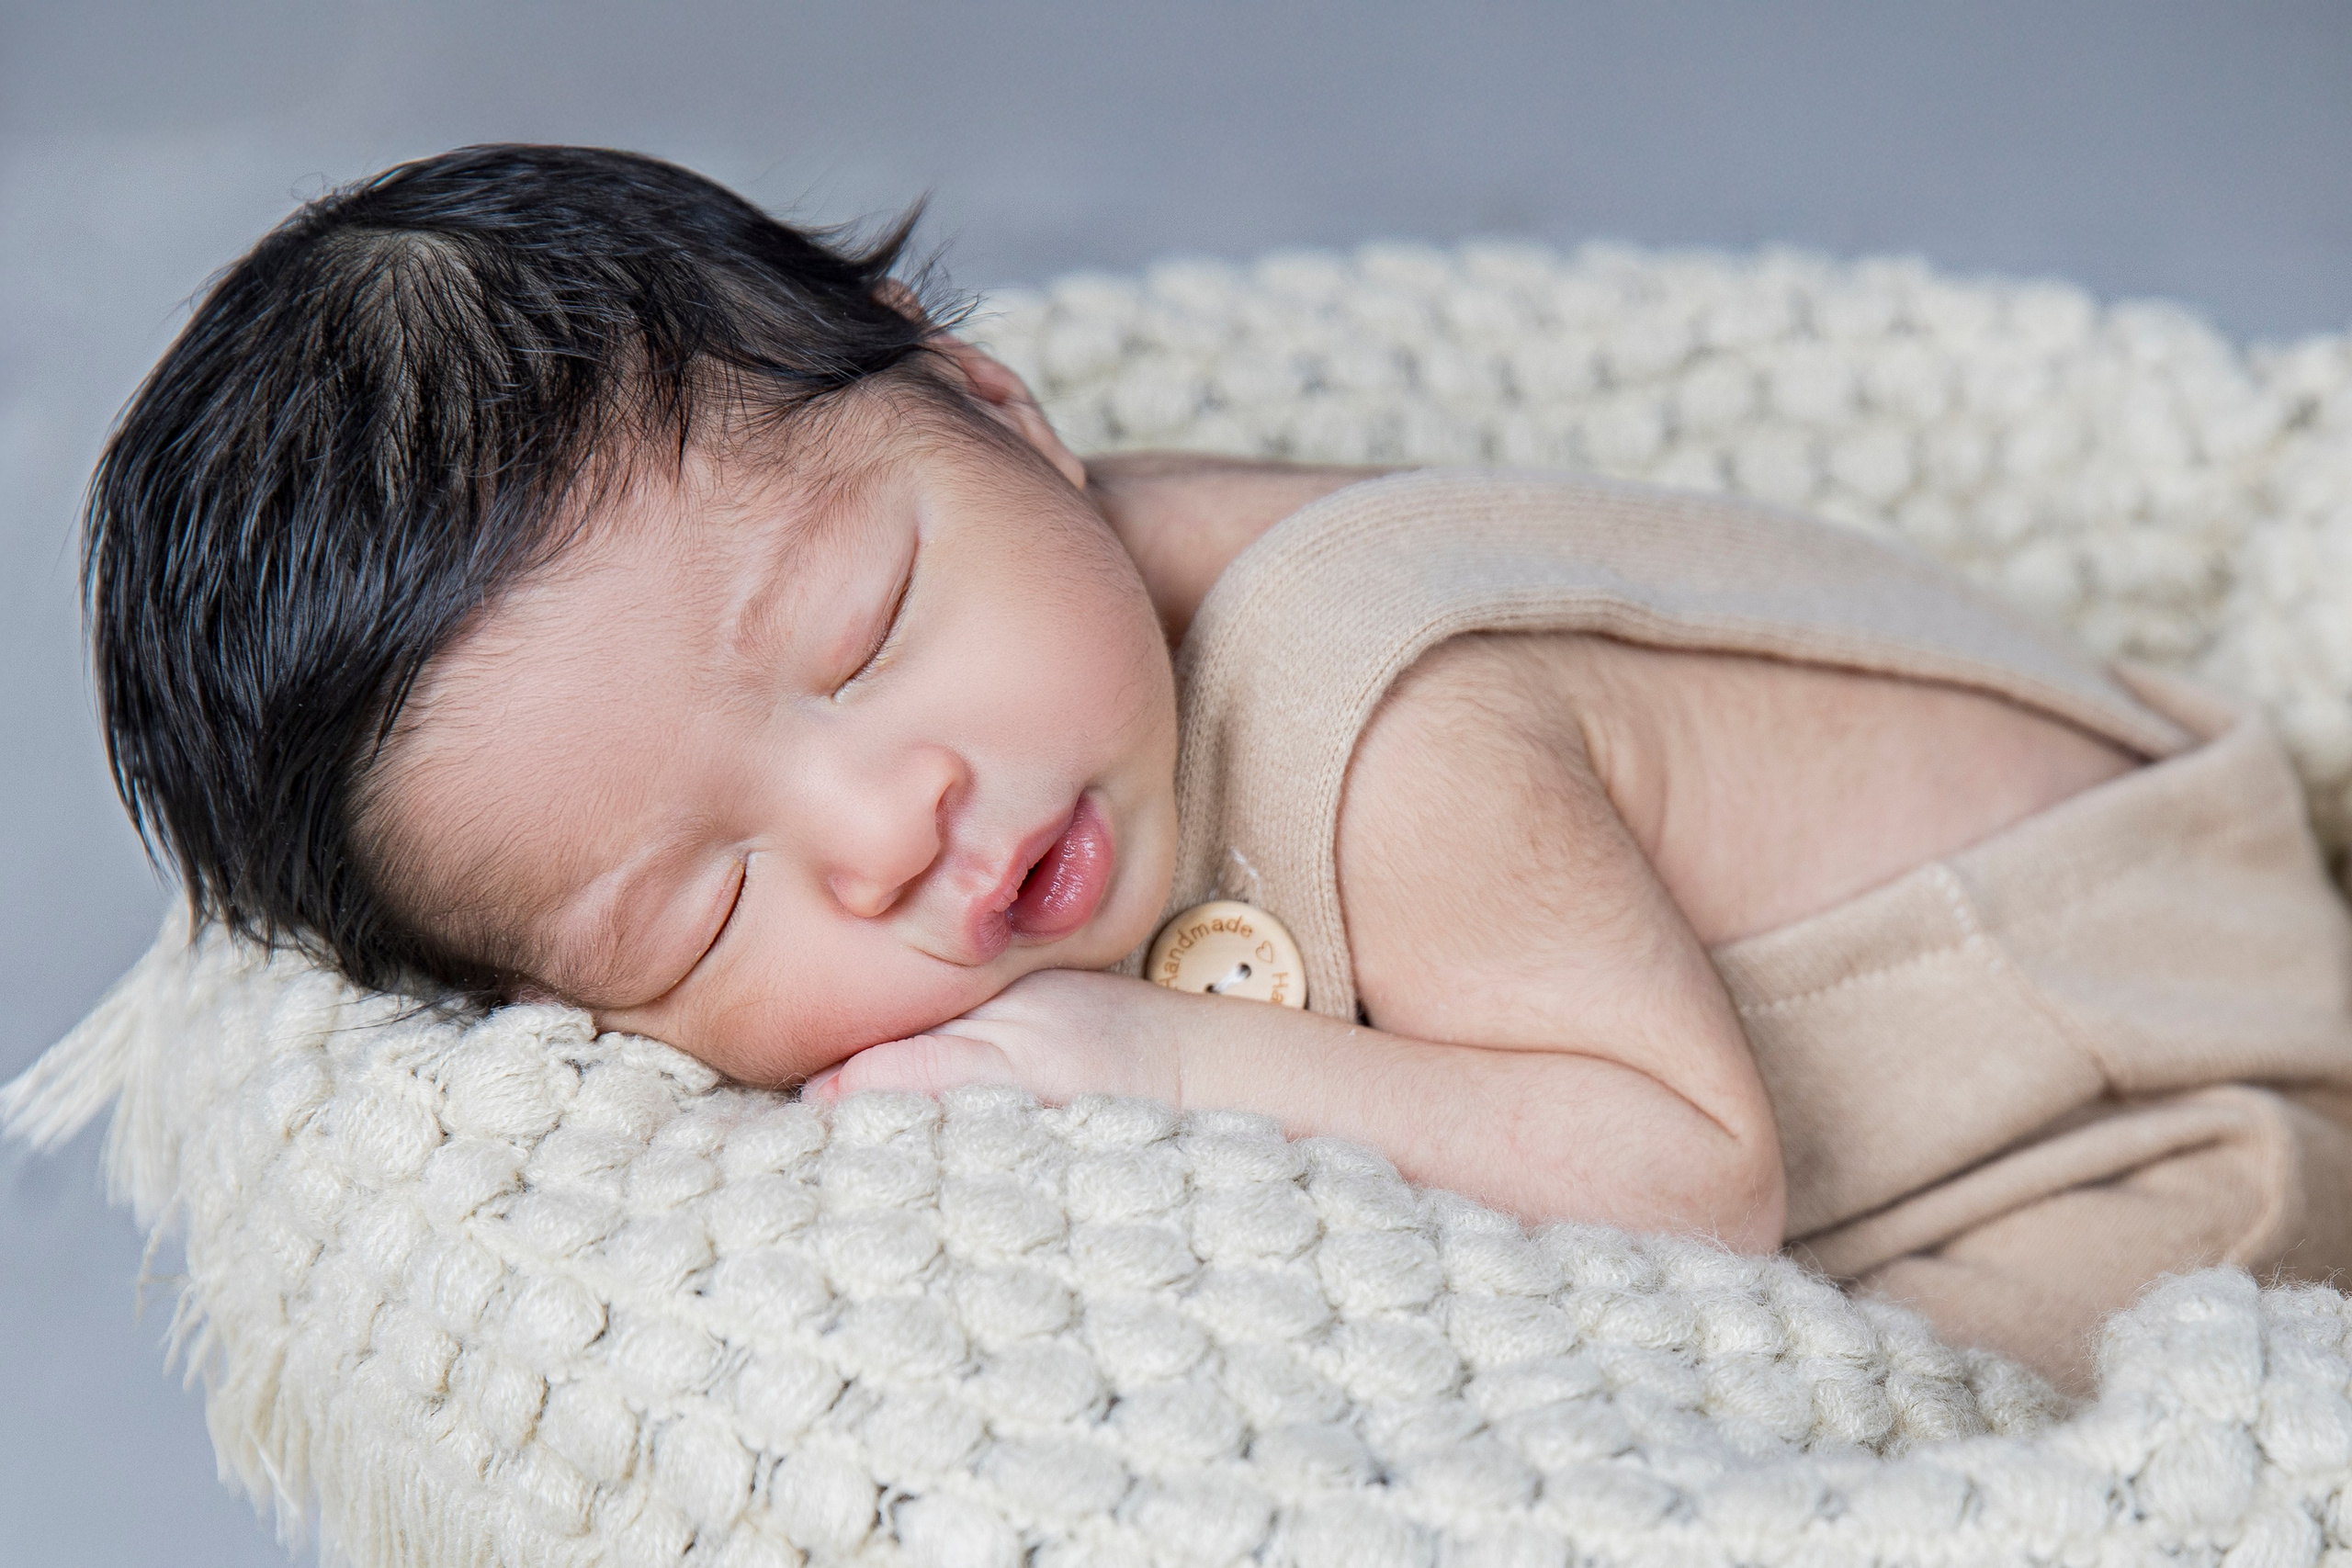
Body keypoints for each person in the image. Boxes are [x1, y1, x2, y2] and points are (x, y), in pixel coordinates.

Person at [85, 144, 2352, 1390]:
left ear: (1001, 414)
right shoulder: (1049, 616)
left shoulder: (1388, 702)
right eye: (697, 911)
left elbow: (1681, 1183)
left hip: (2169, 1101)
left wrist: (1142, 1058)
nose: (892, 826)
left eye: (865, 635)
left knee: (1827, 1450)